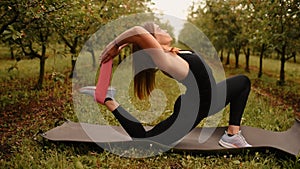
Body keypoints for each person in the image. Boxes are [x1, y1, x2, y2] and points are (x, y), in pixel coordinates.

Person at [82, 22, 252, 148]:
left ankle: (232, 134)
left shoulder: (173, 53)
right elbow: (138, 32)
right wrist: (115, 44)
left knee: (243, 82)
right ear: (152, 40)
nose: (164, 29)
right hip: (193, 110)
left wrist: (127, 43)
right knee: (144, 139)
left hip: (210, 98)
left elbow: (138, 36)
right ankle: (107, 99)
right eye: (159, 29)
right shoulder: (165, 61)